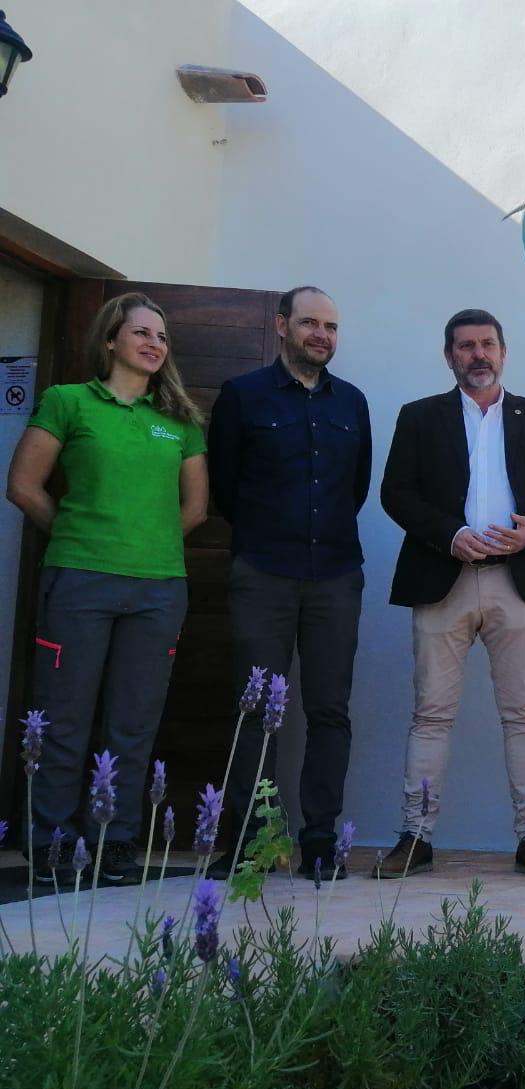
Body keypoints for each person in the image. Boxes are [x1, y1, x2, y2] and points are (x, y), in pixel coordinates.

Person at [6, 293, 208, 884]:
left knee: (133, 721)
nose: (154, 343)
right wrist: (75, 532)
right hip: (78, 582)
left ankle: (116, 842)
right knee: (62, 719)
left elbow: (194, 509)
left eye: (162, 337)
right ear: (109, 340)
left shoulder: (180, 420)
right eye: (141, 332)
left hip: (159, 590)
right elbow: (23, 485)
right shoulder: (67, 401)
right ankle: (49, 843)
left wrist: (144, 543)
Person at [374, 308, 525, 879]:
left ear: (504, 352)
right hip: (444, 578)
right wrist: (449, 535)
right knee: (431, 714)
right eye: (465, 346)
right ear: (449, 357)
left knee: (524, 713)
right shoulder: (420, 417)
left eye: (488, 344)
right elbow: (395, 493)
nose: (478, 355)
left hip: (521, 579)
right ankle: (415, 837)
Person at [206, 286, 372, 880]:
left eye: (330, 326)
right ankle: (256, 841)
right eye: (309, 323)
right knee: (257, 713)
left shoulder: (352, 403)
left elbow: (355, 490)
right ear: (282, 327)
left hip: (334, 576)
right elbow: (224, 489)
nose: (321, 335)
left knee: (330, 711)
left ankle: (320, 840)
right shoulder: (242, 396)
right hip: (264, 575)